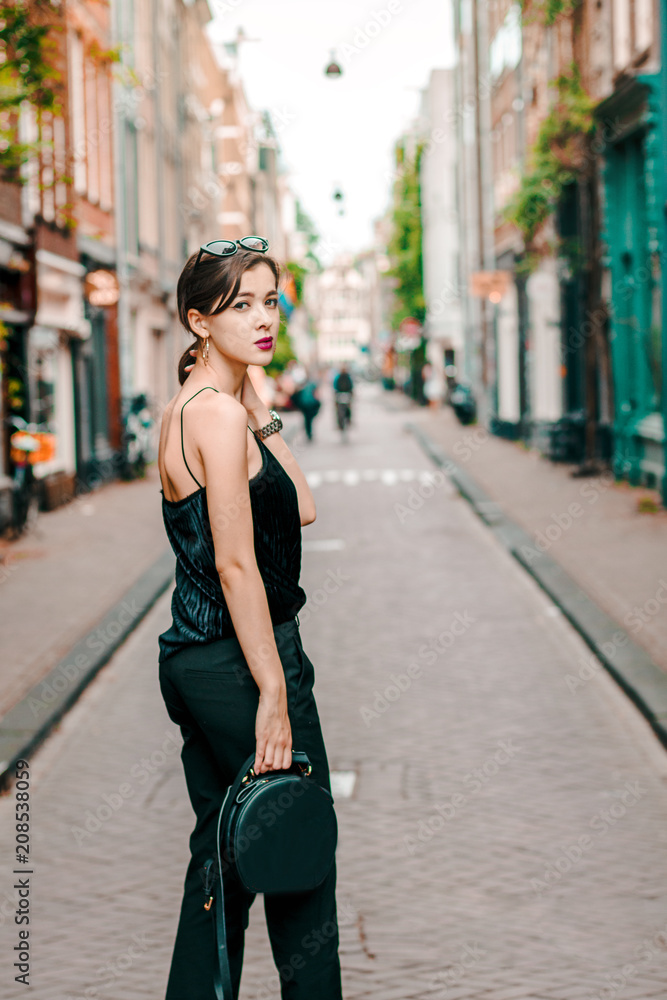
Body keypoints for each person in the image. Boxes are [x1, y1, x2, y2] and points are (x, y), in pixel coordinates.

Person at [156, 237, 343, 1000]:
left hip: (196, 658)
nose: (262, 319)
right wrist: (273, 687)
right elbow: (235, 565)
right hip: (243, 660)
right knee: (300, 852)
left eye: (269, 301)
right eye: (241, 306)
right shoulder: (215, 419)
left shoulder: (206, 410)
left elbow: (300, 506)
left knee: (222, 860)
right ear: (199, 321)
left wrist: (261, 412)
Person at [290, 374, 322, 441]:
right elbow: (316, 394)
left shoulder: (303, 385)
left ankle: (308, 432)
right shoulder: (312, 385)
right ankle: (309, 433)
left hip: (305, 404)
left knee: (307, 420)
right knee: (308, 420)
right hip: (310, 404)